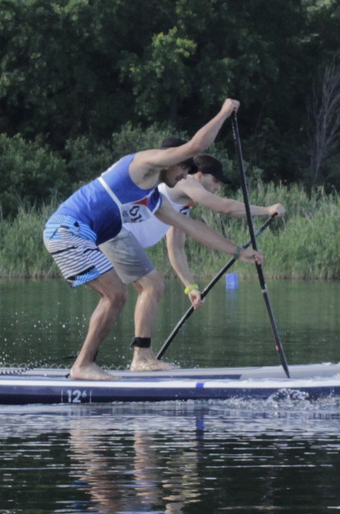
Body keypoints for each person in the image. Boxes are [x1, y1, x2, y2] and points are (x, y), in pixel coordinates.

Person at [43, 99, 257, 380]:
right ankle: (83, 366)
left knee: (115, 295)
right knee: (116, 295)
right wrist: (224, 112)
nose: (184, 177)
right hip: (68, 229)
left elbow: (190, 226)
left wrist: (238, 251)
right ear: (172, 161)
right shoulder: (142, 163)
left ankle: (86, 364)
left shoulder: (154, 198)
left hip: (81, 235)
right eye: (184, 170)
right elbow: (194, 147)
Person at [145, 161, 285, 308]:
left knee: (147, 288)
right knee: (152, 287)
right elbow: (225, 208)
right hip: (123, 235)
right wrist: (267, 210)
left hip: (133, 243)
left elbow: (175, 247)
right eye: (215, 181)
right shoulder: (186, 181)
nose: (217, 187)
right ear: (199, 175)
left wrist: (190, 288)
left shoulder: (183, 204)